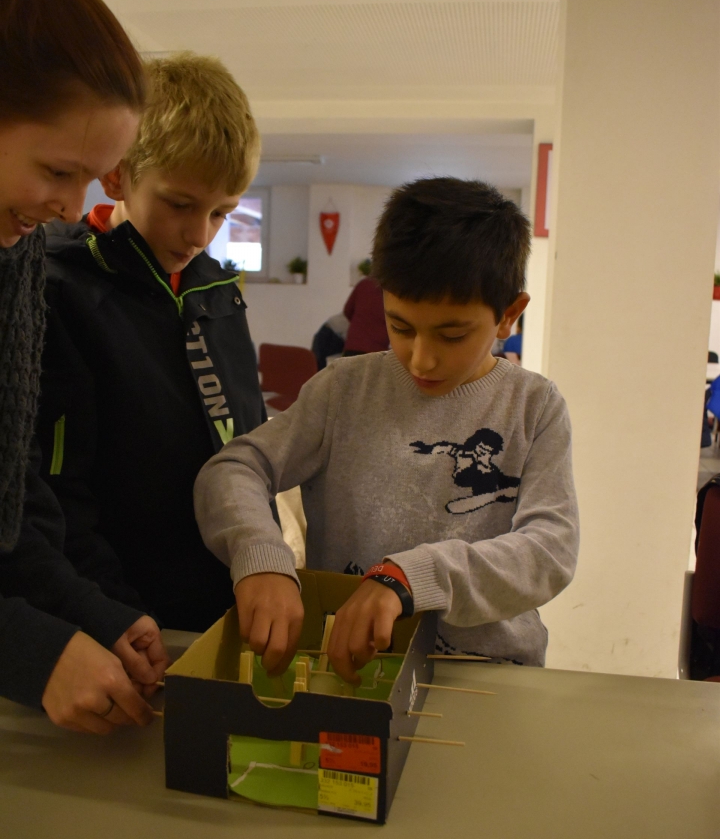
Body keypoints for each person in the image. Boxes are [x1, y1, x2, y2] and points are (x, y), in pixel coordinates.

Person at [194, 177, 579, 682]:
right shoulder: (343, 391)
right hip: (359, 673)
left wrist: (412, 577)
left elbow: (550, 548)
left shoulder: (534, 406)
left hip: (489, 672)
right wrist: (261, 555)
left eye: (452, 335)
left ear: (509, 315)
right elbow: (235, 468)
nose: (421, 358)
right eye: (401, 327)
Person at [0, 0, 168, 731]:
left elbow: (12, 490)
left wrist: (85, 608)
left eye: (91, 179)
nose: (71, 207)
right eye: (57, 170)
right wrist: (29, 650)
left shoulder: (18, 251)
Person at [37, 53, 265, 632]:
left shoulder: (217, 290)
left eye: (222, 212)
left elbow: (247, 444)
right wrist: (110, 610)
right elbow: (57, 492)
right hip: (117, 611)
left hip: (224, 598)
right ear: (117, 175)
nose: (199, 234)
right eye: (180, 204)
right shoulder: (60, 288)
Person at [342, 274, 389, 355]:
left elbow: (347, 310)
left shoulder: (364, 283)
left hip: (353, 344)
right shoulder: (392, 291)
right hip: (377, 349)